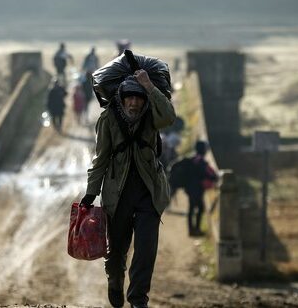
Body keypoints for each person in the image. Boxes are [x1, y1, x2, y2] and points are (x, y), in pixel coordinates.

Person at [80, 69, 175, 308]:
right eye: (129, 98)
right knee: (117, 251)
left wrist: (150, 87)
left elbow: (169, 118)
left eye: (138, 97)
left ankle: (138, 300)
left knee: (145, 251)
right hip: (117, 193)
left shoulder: (153, 115)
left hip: (149, 193)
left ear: (144, 99)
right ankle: (115, 278)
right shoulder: (108, 119)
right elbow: (100, 158)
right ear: (122, 98)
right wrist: (91, 193)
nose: (134, 103)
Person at [183, 140, 217, 237]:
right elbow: (208, 174)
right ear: (203, 150)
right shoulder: (201, 161)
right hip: (197, 189)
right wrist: (214, 178)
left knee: (191, 209)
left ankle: (191, 230)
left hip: (190, 188)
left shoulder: (192, 159)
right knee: (200, 208)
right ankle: (196, 230)